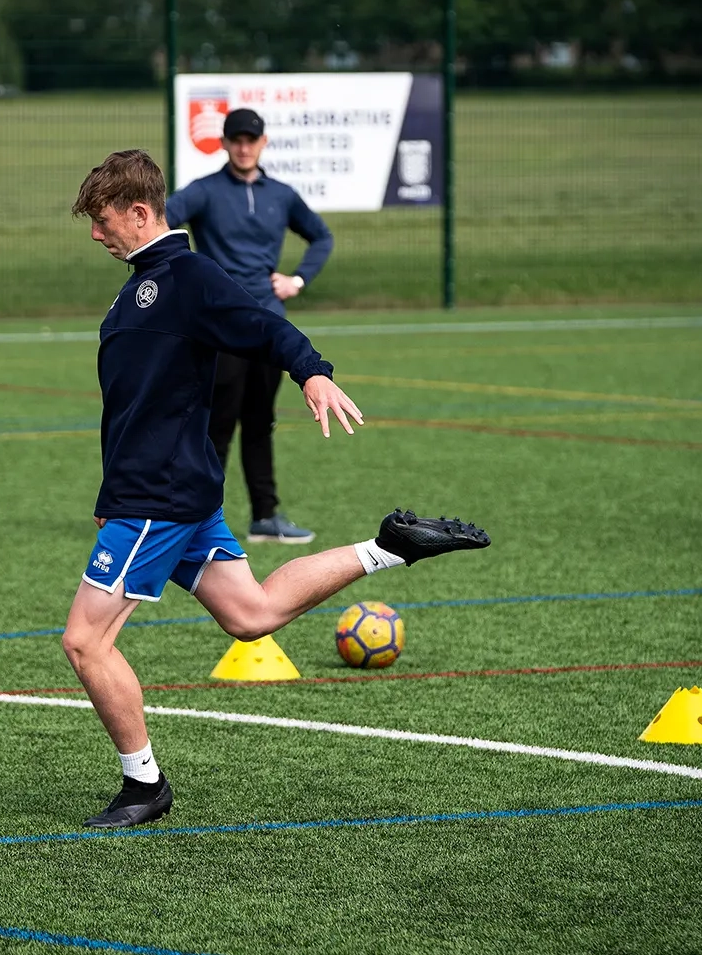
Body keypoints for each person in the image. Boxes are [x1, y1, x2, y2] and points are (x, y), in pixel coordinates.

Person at [65, 149, 490, 828]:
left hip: (160, 494)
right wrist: (110, 497)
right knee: (252, 616)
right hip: (156, 491)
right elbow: (134, 402)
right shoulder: (142, 282)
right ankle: (389, 548)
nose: (95, 232)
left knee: (86, 641)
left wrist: (311, 371)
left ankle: (143, 784)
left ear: (139, 213)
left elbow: (262, 325)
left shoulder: (188, 275)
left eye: (102, 218)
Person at [165, 108, 334, 544]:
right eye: (236, 139)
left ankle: (265, 516)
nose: (244, 147)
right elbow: (163, 222)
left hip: (269, 329)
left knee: (260, 424)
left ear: (263, 143)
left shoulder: (281, 194)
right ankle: (199, 519)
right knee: (216, 426)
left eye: (251, 139)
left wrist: (297, 279)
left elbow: (322, 236)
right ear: (223, 143)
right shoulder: (204, 191)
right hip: (221, 333)